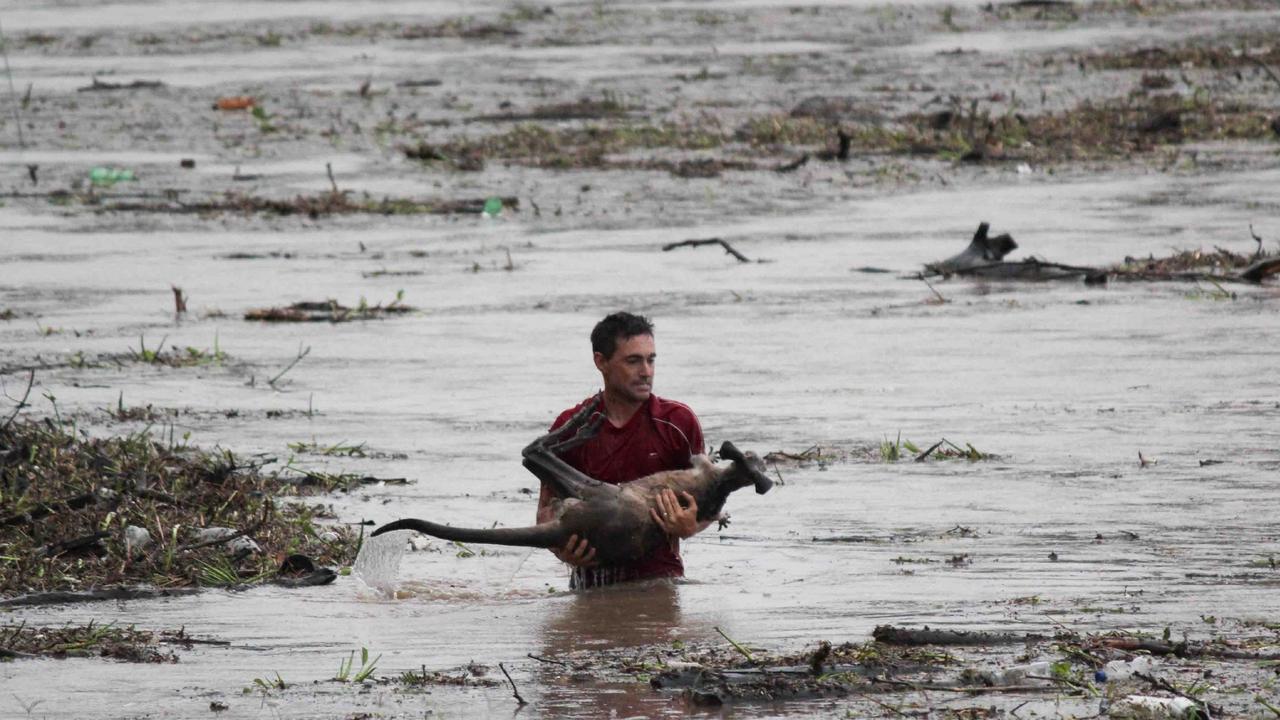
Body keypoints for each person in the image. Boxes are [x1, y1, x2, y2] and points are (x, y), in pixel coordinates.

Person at [536, 312, 707, 588]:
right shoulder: (570, 427)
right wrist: (562, 549)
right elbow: (545, 512)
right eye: (633, 361)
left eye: (651, 360)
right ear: (600, 361)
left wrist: (691, 526)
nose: (646, 371)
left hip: (659, 583)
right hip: (589, 586)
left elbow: (706, 504)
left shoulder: (678, 422)